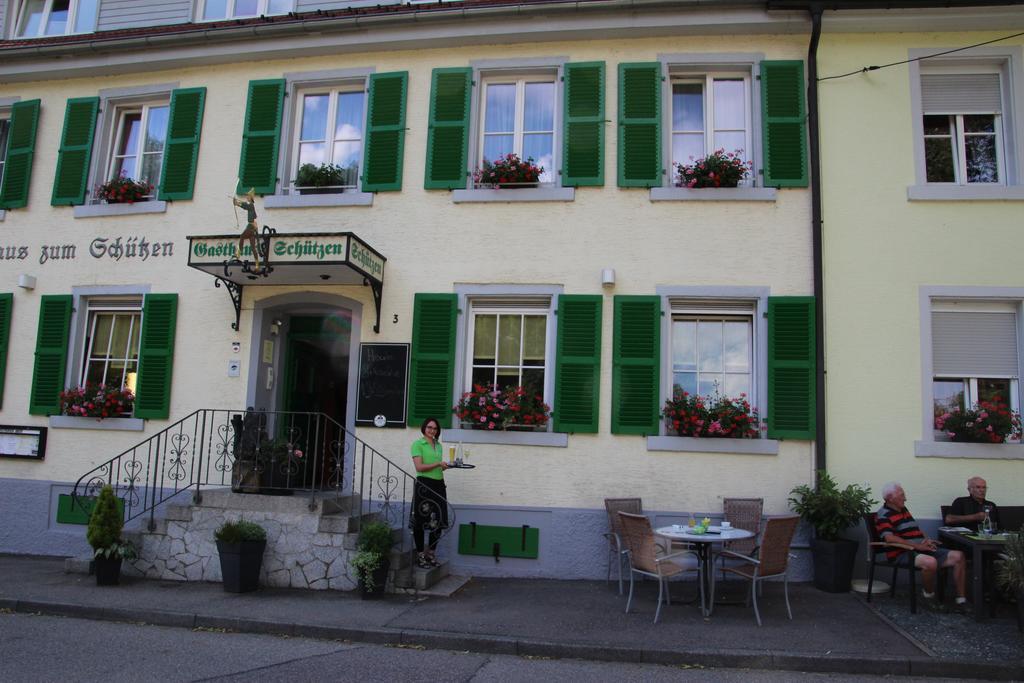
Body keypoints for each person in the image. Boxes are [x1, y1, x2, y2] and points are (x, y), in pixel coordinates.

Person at [876, 482, 968, 613]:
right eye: (902, 495)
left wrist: (926, 540)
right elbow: (889, 538)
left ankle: (961, 600)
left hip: (920, 549)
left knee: (959, 556)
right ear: (890, 498)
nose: (905, 498)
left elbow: (916, 530)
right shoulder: (883, 514)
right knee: (930, 562)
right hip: (901, 553)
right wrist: (917, 546)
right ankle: (928, 596)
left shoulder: (903, 509)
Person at [409, 417, 449, 569]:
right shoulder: (417, 444)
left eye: (435, 428)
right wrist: (438, 463)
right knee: (421, 520)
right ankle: (420, 556)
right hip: (424, 485)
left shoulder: (438, 445)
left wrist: (443, 466)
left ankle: (431, 554)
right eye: (429, 427)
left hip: (439, 484)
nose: (432, 430)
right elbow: (419, 467)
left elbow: (434, 466)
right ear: (424, 428)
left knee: (438, 521)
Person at [233, 188, 262, 271]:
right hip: (253, 228)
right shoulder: (250, 205)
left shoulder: (251, 205)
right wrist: (237, 203)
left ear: (251, 197)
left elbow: (245, 205)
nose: (247, 197)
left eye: (248, 196)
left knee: (242, 236)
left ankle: (238, 254)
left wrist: (237, 203)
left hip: (250, 226)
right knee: (253, 248)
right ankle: (257, 264)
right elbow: (245, 205)